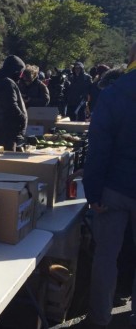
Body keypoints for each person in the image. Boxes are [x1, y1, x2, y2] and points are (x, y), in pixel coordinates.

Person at [82, 42, 136, 329]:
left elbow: (98, 147)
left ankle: (99, 318)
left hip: (114, 187)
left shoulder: (114, 93)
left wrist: (93, 191)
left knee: (105, 257)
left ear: (131, 58)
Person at [0, 55, 27, 151]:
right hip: (7, 130)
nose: (20, 77)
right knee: (6, 159)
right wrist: (22, 118)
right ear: (16, 71)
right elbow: (11, 105)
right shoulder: (7, 83)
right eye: (21, 74)